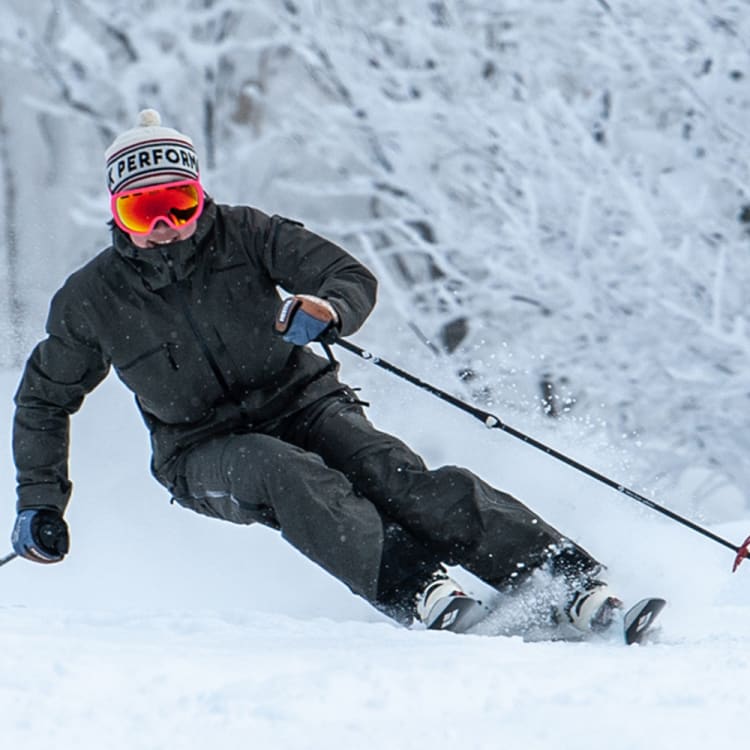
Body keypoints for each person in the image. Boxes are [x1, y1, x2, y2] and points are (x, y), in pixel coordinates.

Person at [10, 109, 621, 635]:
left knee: (392, 473)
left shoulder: (247, 234)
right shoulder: (93, 298)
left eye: (180, 204)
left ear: (200, 197)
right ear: (118, 214)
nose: (167, 224)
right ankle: (420, 590)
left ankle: (562, 577)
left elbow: (349, 277)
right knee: (285, 473)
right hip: (200, 449)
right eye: (145, 212)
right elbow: (42, 401)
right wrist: (40, 503)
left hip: (305, 402)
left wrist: (328, 310)